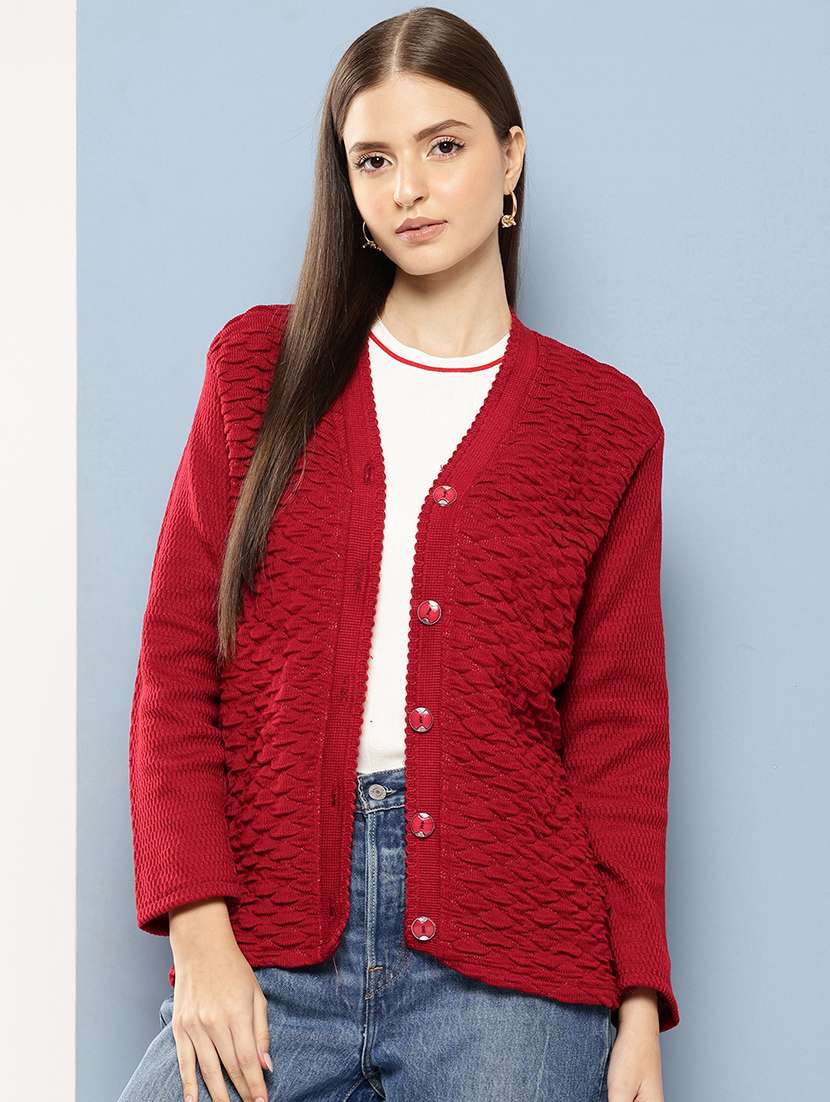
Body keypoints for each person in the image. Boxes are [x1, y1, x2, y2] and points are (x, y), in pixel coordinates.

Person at [117, 7, 678, 1102]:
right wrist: (199, 933)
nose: (408, 187)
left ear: (510, 156)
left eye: (443, 146)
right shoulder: (257, 371)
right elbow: (176, 669)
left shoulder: (605, 426)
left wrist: (640, 1007)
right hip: (272, 936)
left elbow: (618, 735)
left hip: (516, 963)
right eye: (372, 158)